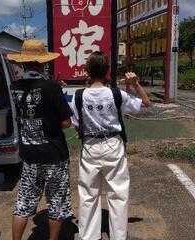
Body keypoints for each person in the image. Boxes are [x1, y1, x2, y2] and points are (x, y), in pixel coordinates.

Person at [71, 51, 151, 240]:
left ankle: (89, 236)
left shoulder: (79, 95)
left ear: (87, 71)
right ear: (107, 70)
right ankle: (118, 236)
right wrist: (135, 84)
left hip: (90, 145)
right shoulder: (117, 93)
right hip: (113, 145)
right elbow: (146, 103)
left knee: (88, 195)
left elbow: (76, 123)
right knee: (118, 195)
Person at [7, 39, 73, 240]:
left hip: (29, 155)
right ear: (43, 62)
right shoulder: (52, 87)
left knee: (23, 204)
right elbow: (66, 123)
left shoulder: (14, 87)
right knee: (56, 203)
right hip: (54, 154)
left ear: (23, 63)